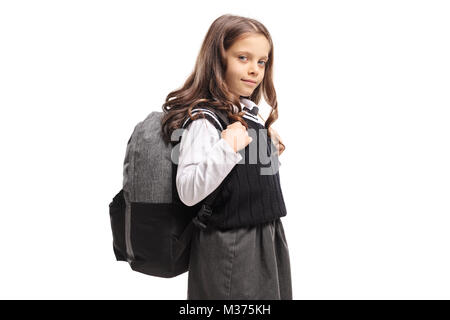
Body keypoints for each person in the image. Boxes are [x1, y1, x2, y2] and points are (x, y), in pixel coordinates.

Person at [161, 14, 292, 300]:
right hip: (231, 246)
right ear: (217, 60)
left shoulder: (248, 114)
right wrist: (228, 147)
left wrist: (265, 148)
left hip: (267, 237)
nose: (255, 70)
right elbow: (188, 190)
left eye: (262, 61)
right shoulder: (205, 120)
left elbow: (243, 182)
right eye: (243, 57)